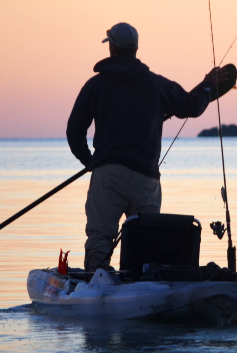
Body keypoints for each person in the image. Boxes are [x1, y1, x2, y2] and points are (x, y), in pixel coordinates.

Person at [66, 22, 227, 273]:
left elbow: (74, 132)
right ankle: (143, 293)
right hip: (146, 180)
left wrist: (90, 162)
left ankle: (96, 289)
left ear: (112, 49)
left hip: (108, 175)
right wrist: (207, 85)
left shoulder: (95, 85)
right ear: (136, 49)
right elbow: (191, 106)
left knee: (100, 238)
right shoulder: (156, 84)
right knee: (146, 244)